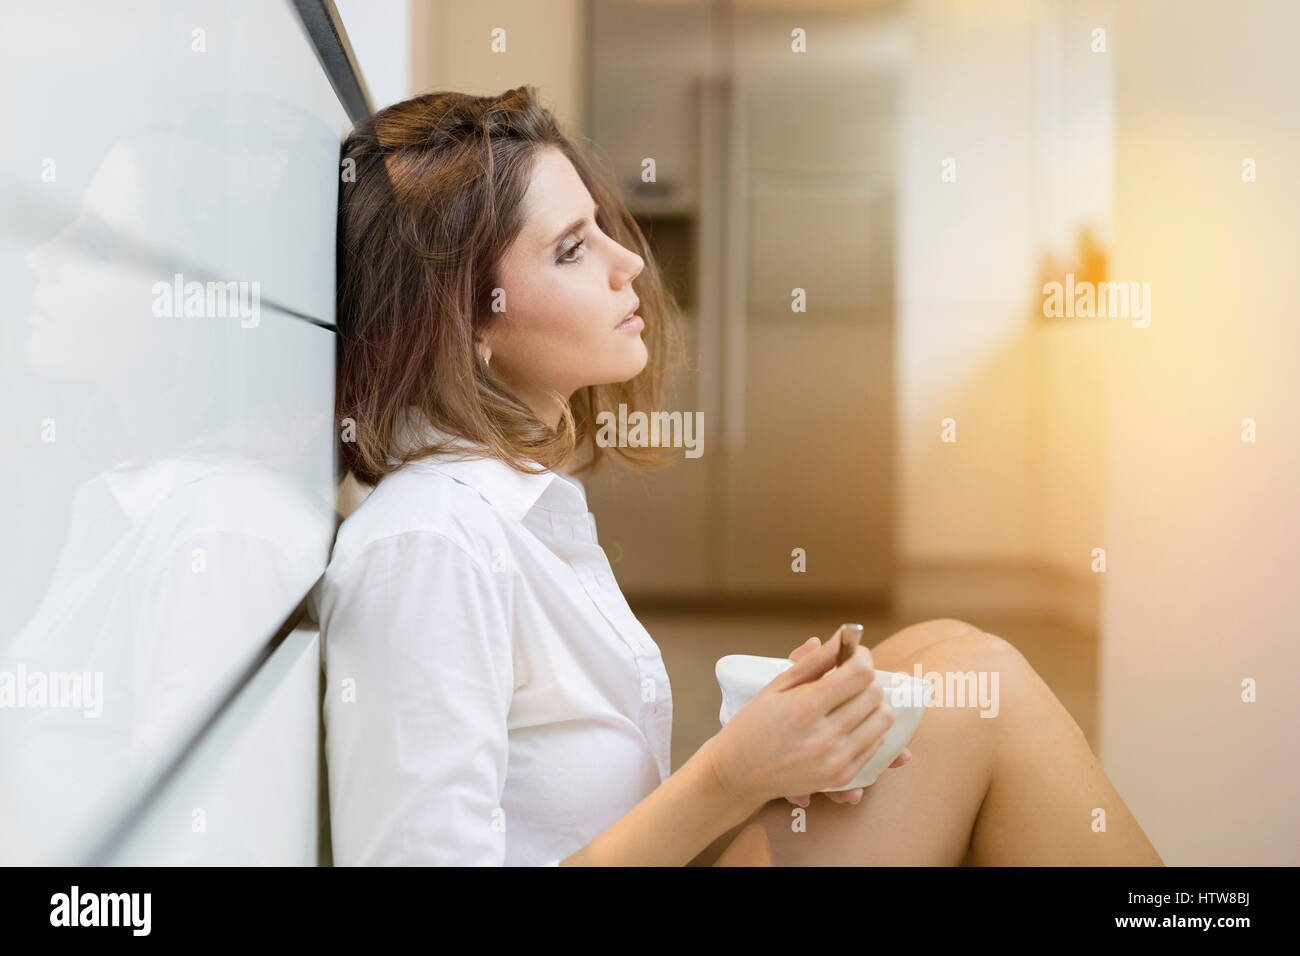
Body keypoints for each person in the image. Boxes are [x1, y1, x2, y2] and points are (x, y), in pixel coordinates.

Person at [312, 85, 1163, 866]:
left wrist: (777, 749)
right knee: (989, 697)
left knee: (949, 657)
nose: (630, 264)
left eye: (602, 227)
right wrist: (730, 774)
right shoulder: (429, 548)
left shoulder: (503, 512)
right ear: (466, 320)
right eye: (572, 249)